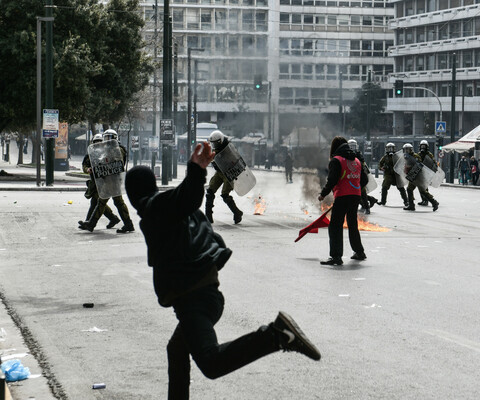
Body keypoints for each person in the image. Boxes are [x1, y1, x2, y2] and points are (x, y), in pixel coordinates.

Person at [124, 142, 321, 400]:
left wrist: (196, 170)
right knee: (177, 349)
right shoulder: (173, 211)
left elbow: (189, 196)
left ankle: (275, 336)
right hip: (204, 293)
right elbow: (214, 238)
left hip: (193, 298)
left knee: (211, 363)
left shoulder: (156, 209)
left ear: (132, 194)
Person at [318, 136, 367, 266]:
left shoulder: (336, 160)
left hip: (343, 196)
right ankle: (359, 252)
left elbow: (332, 180)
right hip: (355, 195)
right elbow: (365, 180)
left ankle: (336, 257)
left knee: (335, 226)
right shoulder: (356, 160)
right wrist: (355, 186)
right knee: (352, 224)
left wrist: (323, 194)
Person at [79, 129, 135, 233]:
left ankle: (92, 224)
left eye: (109, 138)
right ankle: (127, 224)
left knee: (107, 202)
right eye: (106, 138)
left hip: (113, 180)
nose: (107, 140)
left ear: (115, 138)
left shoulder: (119, 149)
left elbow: (116, 163)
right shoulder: (107, 150)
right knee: (109, 202)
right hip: (108, 180)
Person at [78, 133, 121, 228]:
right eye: (95, 142)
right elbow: (84, 165)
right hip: (94, 182)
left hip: (104, 182)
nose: (97, 144)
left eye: (99, 142)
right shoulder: (89, 155)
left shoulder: (106, 154)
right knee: (97, 202)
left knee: (97, 202)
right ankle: (112, 218)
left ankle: (89, 222)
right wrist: (87, 169)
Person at [205, 130, 243, 224]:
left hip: (229, 172)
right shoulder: (215, 148)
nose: (214, 145)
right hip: (220, 172)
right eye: (213, 143)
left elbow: (235, 160)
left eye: (216, 143)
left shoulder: (229, 148)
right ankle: (208, 215)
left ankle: (237, 213)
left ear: (221, 141)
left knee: (225, 195)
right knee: (210, 191)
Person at [403, 143, 439, 212]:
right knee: (409, 189)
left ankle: (434, 202)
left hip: (418, 176)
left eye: (408, 150)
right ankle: (411, 205)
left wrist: (410, 165)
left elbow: (418, 164)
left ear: (411, 150)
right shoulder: (405, 157)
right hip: (412, 176)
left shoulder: (416, 156)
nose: (406, 151)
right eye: (405, 150)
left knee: (423, 191)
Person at [348, 139, 377, 214]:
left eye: (353, 146)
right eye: (350, 146)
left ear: (356, 147)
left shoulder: (358, 155)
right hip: (350, 177)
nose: (352, 148)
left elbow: (363, 165)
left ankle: (367, 207)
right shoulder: (346, 155)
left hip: (360, 177)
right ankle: (366, 203)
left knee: (362, 193)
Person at [414, 140, 439, 210]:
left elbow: (433, 162)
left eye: (424, 146)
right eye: (422, 146)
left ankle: (427, 200)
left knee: (424, 187)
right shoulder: (419, 154)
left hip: (426, 173)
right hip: (420, 172)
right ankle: (423, 200)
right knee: (421, 188)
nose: (423, 147)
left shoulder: (429, 154)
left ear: (427, 147)